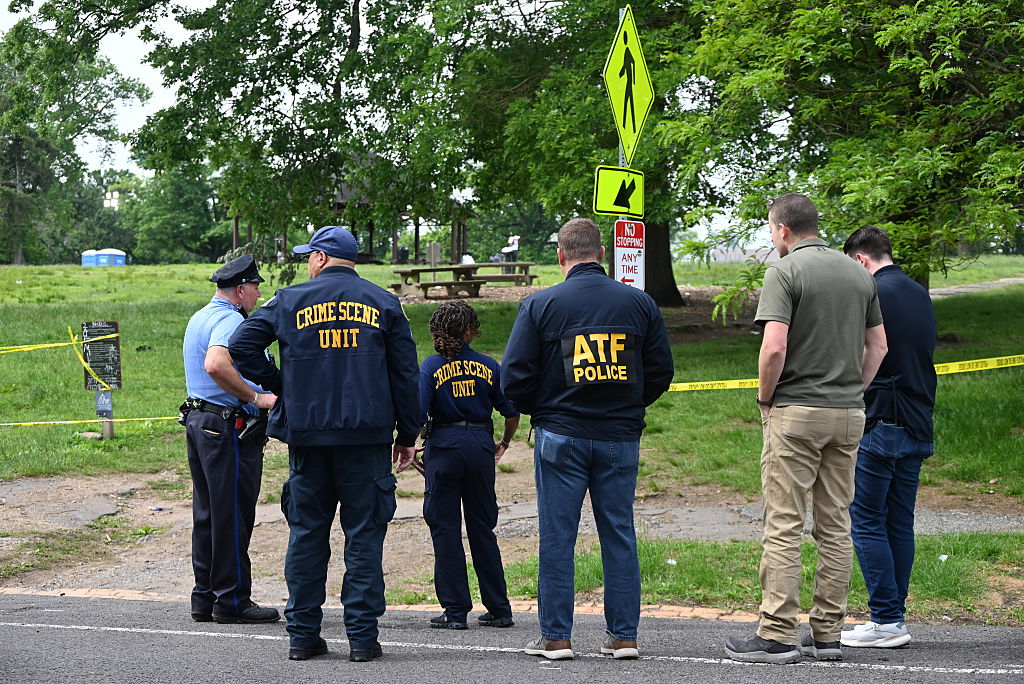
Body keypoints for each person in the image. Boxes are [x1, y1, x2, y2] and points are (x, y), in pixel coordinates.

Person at [228, 226, 420, 663]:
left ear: (318, 258)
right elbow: (406, 375)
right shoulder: (385, 302)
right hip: (367, 442)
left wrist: (284, 385)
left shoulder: (290, 299)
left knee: (307, 536)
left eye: (307, 258)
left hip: (308, 440)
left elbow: (242, 345)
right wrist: (407, 435)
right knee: (365, 538)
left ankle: (302, 636)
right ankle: (363, 639)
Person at [724, 193, 887, 664]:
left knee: (784, 522)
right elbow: (878, 347)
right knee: (836, 524)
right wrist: (851, 387)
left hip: (796, 411)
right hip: (849, 413)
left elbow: (774, 347)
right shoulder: (859, 273)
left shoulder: (784, 271)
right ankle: (828, 633)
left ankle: (776, 633)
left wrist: (764, 398)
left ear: (782, 230)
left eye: (770, 231)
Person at [501, 218, 674, 661]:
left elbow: (513, 379)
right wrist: (630, 405)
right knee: (619, 534)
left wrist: (541, 408)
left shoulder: (540, 305)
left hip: (560, 435)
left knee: (557, 537)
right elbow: (660, 372)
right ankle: (624, 637)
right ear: (602, 254)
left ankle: (556, 638)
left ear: (562, 256)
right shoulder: (640, 304)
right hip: (620, 437)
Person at [841, 226, 936, 649]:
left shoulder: (872, 293)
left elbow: (866, 351)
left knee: (865, 519)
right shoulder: (917, 290)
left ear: (861, 260)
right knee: (899, 521)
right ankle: (893, 616)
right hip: (919, 418)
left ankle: (885, 618)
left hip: (883, 419)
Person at [181, 254, 280, 625]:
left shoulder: (201, 316)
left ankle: (205, 596)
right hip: (228, 427)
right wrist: (256, 397)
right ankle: (233, 599)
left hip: (201, 420)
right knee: (233, 515)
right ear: (240, 290)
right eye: (255, 287)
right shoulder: (228, 319)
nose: (257, 294)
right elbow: (216, 363)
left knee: (208, 514)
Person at [418, 300, 520, 631]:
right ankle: (499, 607)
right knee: (482, 529)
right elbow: (511, 412)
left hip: (444, 448)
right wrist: (502, 443)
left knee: (445, 529)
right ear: (468, 333)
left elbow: (418, 416)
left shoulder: (430, 367)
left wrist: (418, 446)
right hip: (479, 447)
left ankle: (455, 610)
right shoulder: (489, 366)